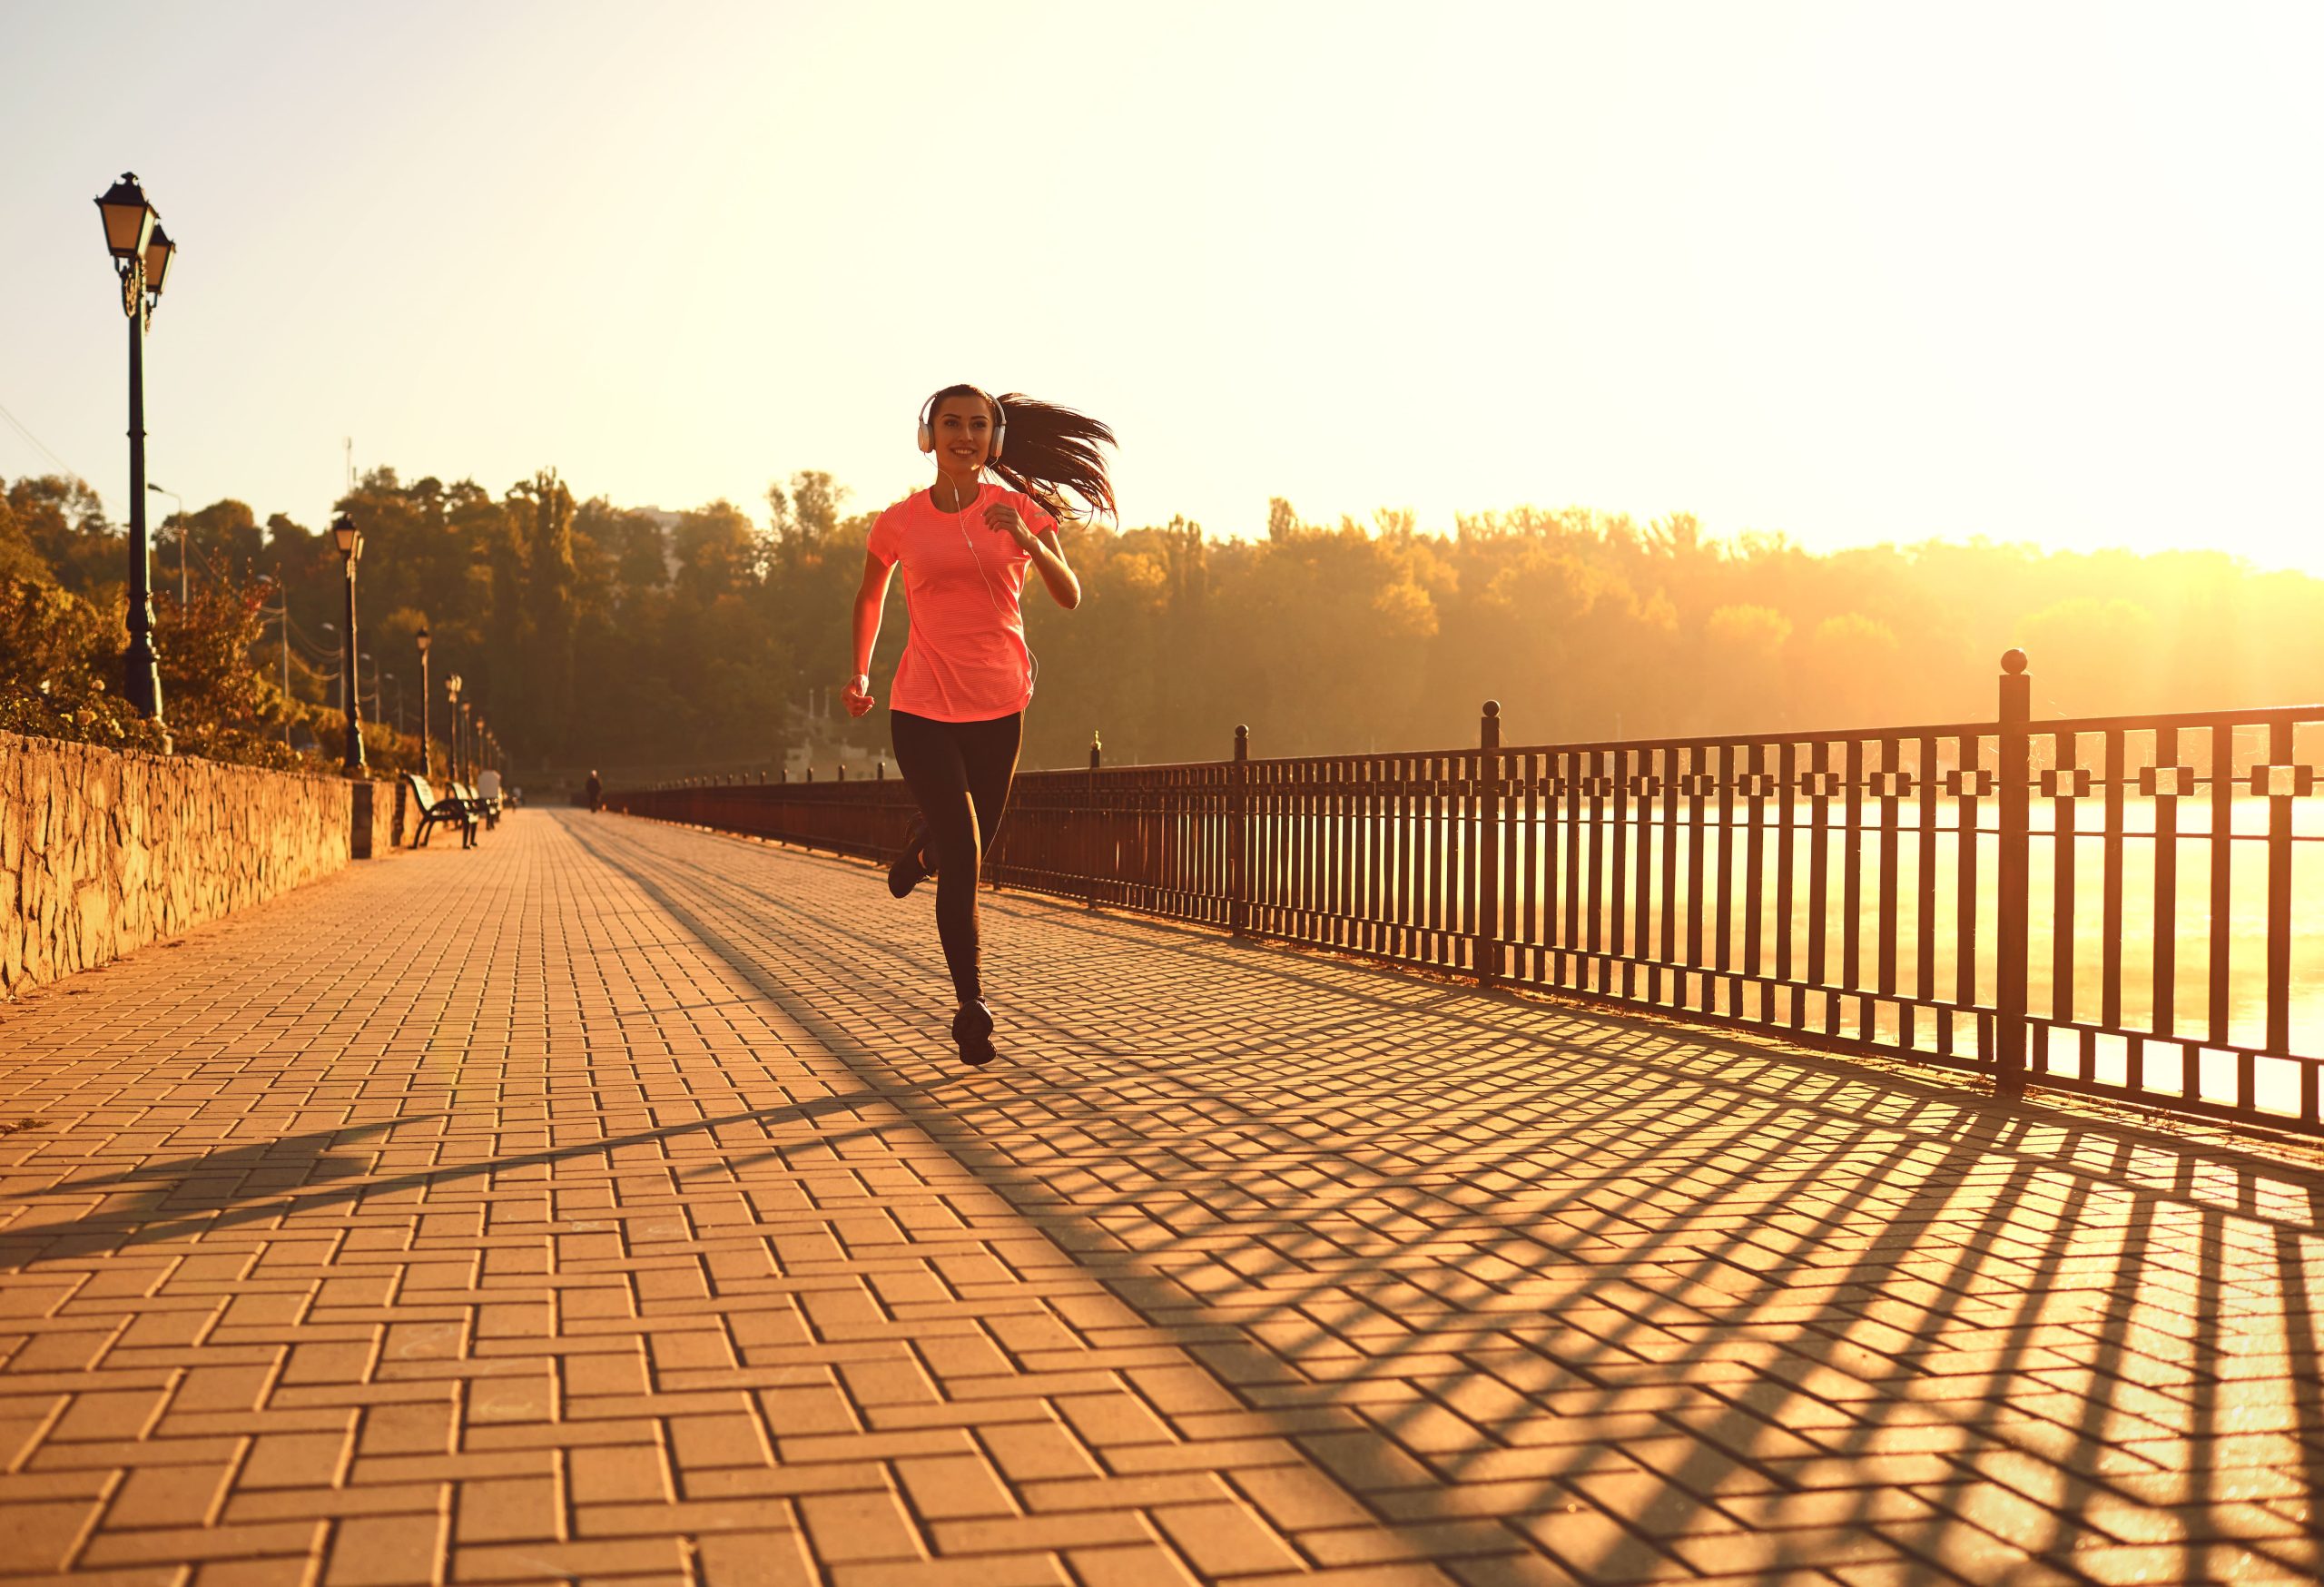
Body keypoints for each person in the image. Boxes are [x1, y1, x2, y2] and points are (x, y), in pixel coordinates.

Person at [844, 384, 1113, 1066]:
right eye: (950, 423)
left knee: (967, 850)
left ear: (994, 439)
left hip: (999, 708)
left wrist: (1030, 540)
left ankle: (919, 853)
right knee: (966, 856)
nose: (964, 434)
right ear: (927, 435)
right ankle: (970, 1005)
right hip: (922, 707)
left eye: (978, 425)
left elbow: (1070, 596)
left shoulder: (1018, 511)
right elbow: (872, 594)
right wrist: (862, 672)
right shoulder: (899, 521)